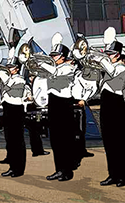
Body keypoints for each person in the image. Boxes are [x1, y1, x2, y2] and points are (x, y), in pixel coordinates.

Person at [39, 35, 78, 182]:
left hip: (64, 104)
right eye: (52, 55)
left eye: (55, 55)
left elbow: (56, 73)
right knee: (55, 139)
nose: (52, 58)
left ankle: (67, 171)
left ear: (62, 57)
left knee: (65, 139)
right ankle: (58, 169)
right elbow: (40, 75)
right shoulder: (53, 68)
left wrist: (42, 63)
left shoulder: (68, 68)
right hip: (53, 102)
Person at [98, 39, 125, 187]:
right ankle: (112, 174)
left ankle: (122, 176)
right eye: (107, 53)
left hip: (117, 104)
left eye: (110, 54)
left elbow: (113, 73)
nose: (107, 56)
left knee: (119, 142)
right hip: (105, 104)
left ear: (117, 55)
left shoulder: (121, 67)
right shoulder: (106, 68)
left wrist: (101, 60)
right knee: (109, 142)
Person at [0, 58, 30, 178]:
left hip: (16, 109)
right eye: (7, 67)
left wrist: (1, 74)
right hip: (7, 108)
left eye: (10, 68)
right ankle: (12, 166)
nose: (8, 69)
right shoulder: (8, 78)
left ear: (16, 69)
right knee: (10, 140)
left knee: (17, 140)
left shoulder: (19, 79)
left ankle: (18, 169)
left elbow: (8, 85)